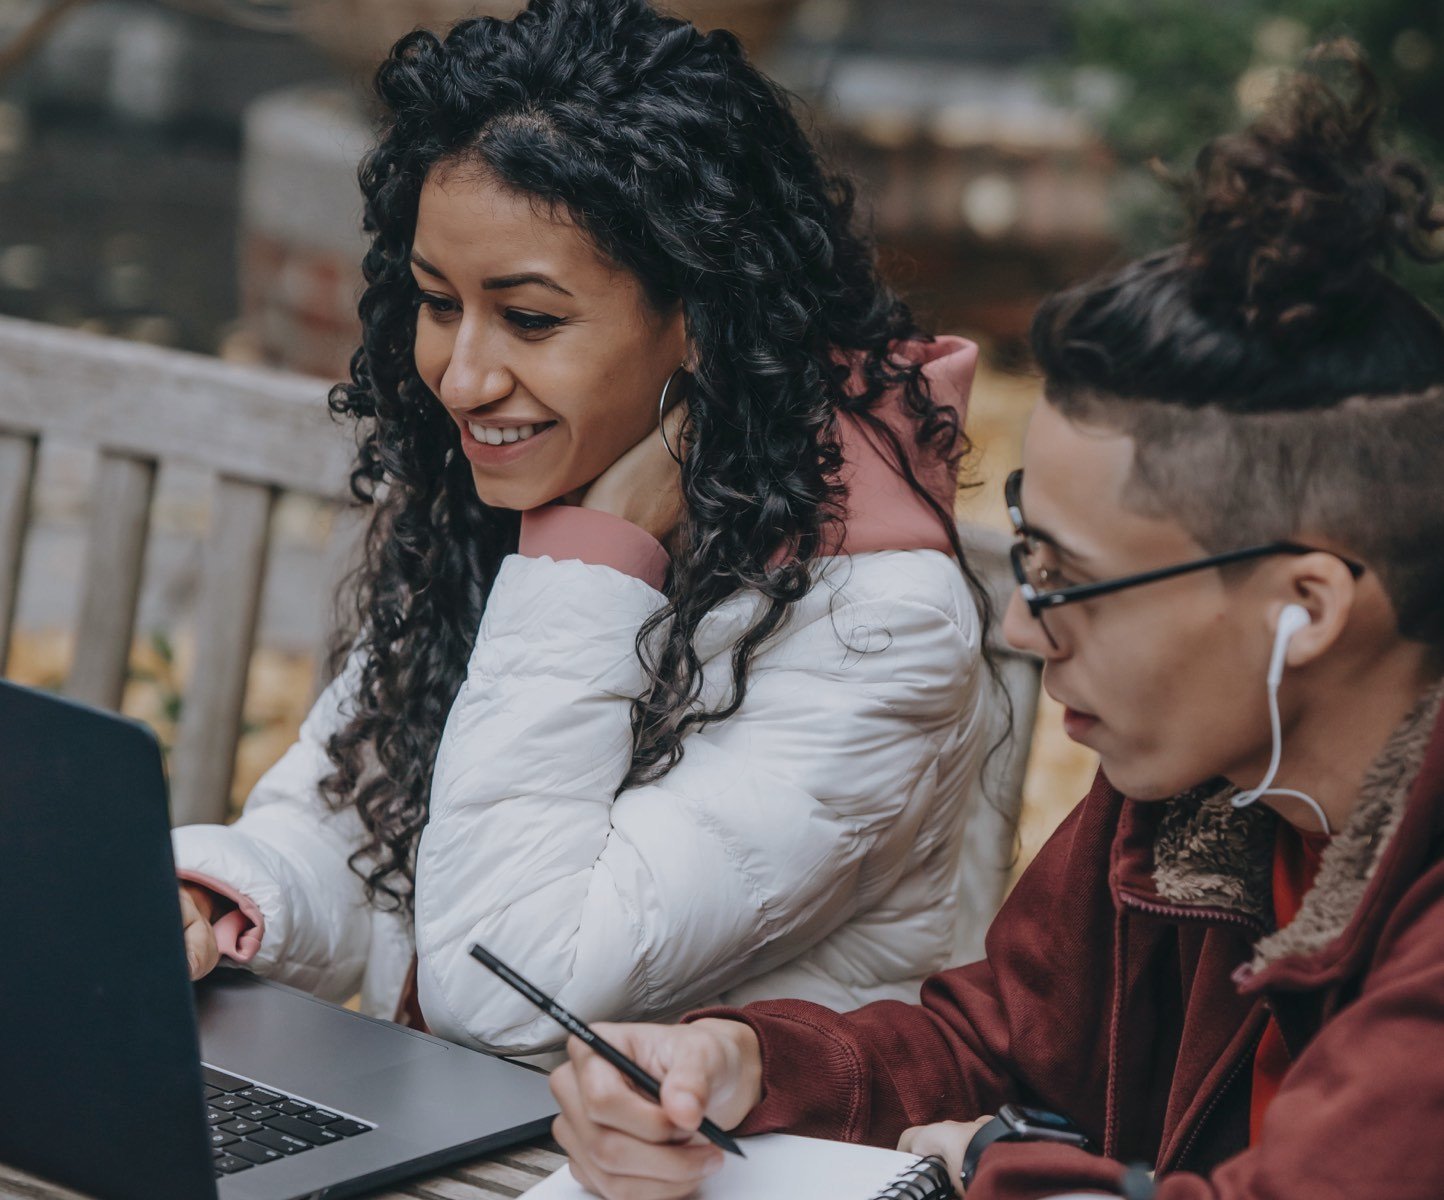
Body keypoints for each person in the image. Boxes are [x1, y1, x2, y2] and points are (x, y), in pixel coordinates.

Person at [547, 43, 1444, 1199]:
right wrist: (741, 1061)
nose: (1024, 626)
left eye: (1070, 577)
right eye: (1025, 554)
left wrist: (992, 1170)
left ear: (1304, 606)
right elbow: (989, 1045)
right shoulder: (1202, 794)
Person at [170, 0, 997, 1056]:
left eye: (530, 319)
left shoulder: (877, 621)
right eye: (436, 301)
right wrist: (216, 898)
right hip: (475, 1133)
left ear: (702, 319)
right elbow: (353, 839)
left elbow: (510, 987)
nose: (461, 377)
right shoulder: (521, 488)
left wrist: (591, 563)